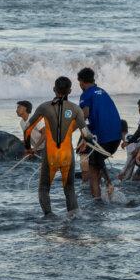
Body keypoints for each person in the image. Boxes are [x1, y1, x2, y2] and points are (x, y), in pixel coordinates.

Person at [24, 76, 93, 215]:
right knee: (69, 189)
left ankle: (49, 218)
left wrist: (28, 148)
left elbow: (27, 130)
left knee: (44, 188)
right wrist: (87, 141)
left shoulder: (44, 107)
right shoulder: (76, 109)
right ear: (70, 91)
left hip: (50, 156)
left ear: (54, 89)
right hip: (67, 155)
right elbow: (86, 133)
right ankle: (73, 219)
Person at [76, 67, 123, 201]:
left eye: (79, 82)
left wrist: (73, 132)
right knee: (97, 161)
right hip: (116, 136)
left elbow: (83, 115)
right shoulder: (103, 92)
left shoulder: (86, 94)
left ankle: (97, 201)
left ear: (82, 82)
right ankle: (109, 183)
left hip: (103, 137)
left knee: (93, 169)